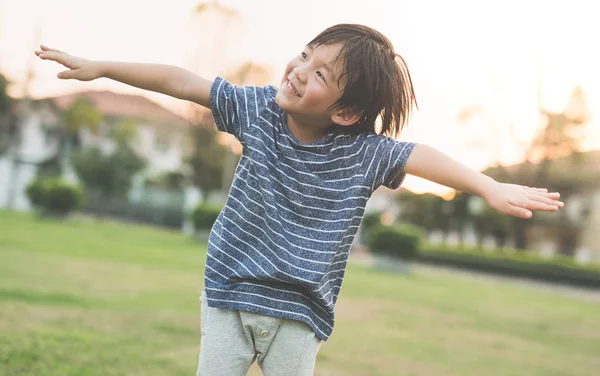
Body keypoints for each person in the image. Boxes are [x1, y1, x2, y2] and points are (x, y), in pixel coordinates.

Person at [36, 23, 563, 376]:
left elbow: (423, 156)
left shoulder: (364, 153)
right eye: (305, 55)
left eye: (319, 74)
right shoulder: (258, 109)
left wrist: (490, 185)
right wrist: (103, 66)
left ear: (346, 111)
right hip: (229, 289)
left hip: (301, 309)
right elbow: (183, 81)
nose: (297, 70)